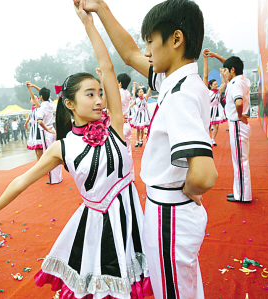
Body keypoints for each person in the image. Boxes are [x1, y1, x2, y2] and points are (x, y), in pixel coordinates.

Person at [0, 4, 150, 298]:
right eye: (89, 94)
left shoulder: (116, 124)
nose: (98, 100)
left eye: (100, 93)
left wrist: (88, 23)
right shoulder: (62, 146)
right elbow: (22, 181)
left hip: (130, 227)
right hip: (94, 231)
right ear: (69, 104)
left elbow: (107, 67)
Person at [79, 0, 219, 297]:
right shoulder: (180, 82)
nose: (146, 51)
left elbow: (205, 175)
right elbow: (129, 54)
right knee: (184, 287)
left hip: (170, 210)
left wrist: (189, 190)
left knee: (172, 291)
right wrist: (99, 10)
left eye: (152, 41)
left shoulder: (180, 94)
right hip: (172, 209)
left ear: (176, 40)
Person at [206, 50, 252, 203]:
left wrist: (239, 115)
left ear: (233, 70)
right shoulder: (241, 79)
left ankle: (243, 195)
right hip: (237, 124)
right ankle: (239, 192)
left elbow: (238, 101)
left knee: (240, 161)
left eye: (226, 70)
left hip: (237, 124)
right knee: (238, 161)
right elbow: (230, 64)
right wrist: (216, 55)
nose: (224, 72)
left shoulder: (236, 83)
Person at [31, 82, 63, 184]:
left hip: (46, 132)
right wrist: (33, 86)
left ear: (40, 97)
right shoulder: (49, 103)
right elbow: (44, 94)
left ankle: (54, 179)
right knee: (55, 154)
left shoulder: (41, 108)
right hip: (52, 130)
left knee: (49, 156)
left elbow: (40, 121)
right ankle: (58, 177)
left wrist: (46, 129)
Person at [202, 49, 227, 146]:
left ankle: (213, 139)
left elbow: (225, 83)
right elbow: (205, 76)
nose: (216, 85)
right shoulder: (207, 91)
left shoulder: (219, 90)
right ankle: (208, 138)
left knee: (216, 125)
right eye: (215, 84)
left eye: (217, 84)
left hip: (217, 108)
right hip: (209, 109)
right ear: (211, 85)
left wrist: (223, 74)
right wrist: (205, 59)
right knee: (208, 125)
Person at [117, 73, 136, 180]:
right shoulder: (128, 93)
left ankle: (123, 177)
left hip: (120, 125)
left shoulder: (118, 92)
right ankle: (130, 176)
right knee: (128, 151)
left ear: (119, 83)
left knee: (120, 152)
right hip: (127, 124)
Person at [25, 87, 43, 160]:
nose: (34, 100)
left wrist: (29, 88)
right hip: (33, 131)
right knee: (36, 151)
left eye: (35, 98)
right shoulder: (31, 110)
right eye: (32, 99)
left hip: (38, 129)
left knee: (40, 151)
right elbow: (29, 118)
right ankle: (38, 165)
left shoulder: (39, 107)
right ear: (30, 101)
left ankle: (44, 166)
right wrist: (25, 124)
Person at [129, 82, 151, 147]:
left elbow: (148, 93)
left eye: (142, 92)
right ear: (137, 94)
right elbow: (130, 105)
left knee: (142, 129)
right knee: (138, 129)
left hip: (144, 114)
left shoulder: (145, 98)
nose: (141, 93)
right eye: (140, 92)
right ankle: (137, 141)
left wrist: (150, 87)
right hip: (138, 115)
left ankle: (141, 140)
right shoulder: (136, 100)